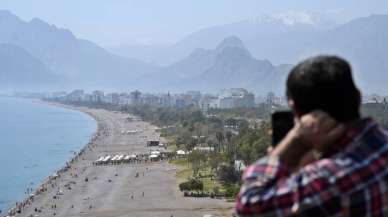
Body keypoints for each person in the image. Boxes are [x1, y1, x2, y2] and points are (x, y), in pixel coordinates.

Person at [235, 56, 388, 216]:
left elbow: (248, 207)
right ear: (358, 97)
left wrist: (291, 144)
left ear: (298, 112)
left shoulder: (329, 179)